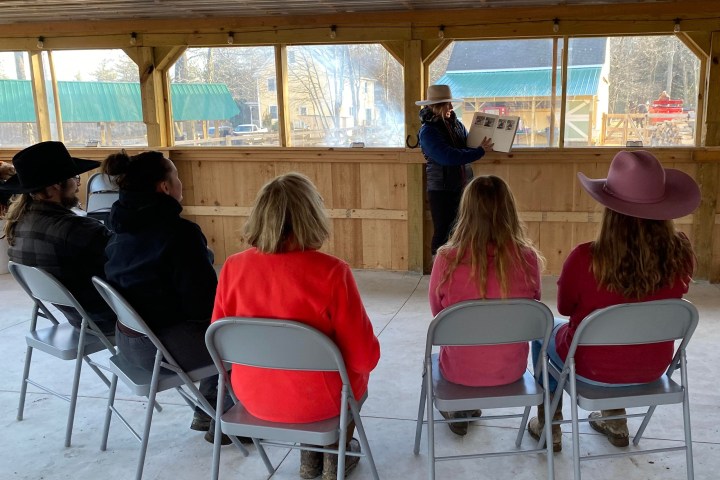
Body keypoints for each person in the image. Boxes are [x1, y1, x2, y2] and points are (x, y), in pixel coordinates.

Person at [211, 172, 380, 480]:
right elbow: (364, 358)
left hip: (252, 396)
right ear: (313, 216)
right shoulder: (332, 273)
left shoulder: (232, 268)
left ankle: (313, 458)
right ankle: (335, 455)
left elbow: (219, 346)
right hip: (321, 402)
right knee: (356, 372)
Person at [527, 150, 699, 452]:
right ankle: (616, 421)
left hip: (590, 370)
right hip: (653, 368)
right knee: (627, 332)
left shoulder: (584, 258)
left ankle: (549, 426)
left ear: (610, 208)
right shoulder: (681, 253)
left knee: (543, 334)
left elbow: (565, 309)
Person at [102, 150, 231, 445]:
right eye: (176, 176)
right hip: (160, 351)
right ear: (165, 187)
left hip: (127, 342)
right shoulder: (180, 233)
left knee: (214, 328)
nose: (181, 183)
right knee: (234, 335)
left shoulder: (117, 230)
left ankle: (206, 409)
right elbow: (204, 307)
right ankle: (226, 421)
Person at [429, 175, 543, 436]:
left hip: (457, 372)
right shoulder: (528, 259)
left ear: (465, 212)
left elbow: (438, 313)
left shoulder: (446, 258)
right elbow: (531, 311)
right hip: (510, 372)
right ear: (509, 212)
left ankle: (459, 408)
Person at [0, 141, 115, 335]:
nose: (77, 185)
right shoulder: (78, 229)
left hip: (78, 319)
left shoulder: (19, 224)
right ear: (55, 187)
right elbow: (129, 259)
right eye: (74, 178)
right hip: (112, 320)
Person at [417, 84, 494, 256]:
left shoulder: (456, 125)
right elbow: (447, 156)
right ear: (436, 107)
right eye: (447, 104)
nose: (451, 107)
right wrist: (480, 151)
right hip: (442, 190)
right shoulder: (428, 132)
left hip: (462, 186)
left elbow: (466, 146)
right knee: (443, 232)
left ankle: (455, 270)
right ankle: (439, 272)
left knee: (461, 231)